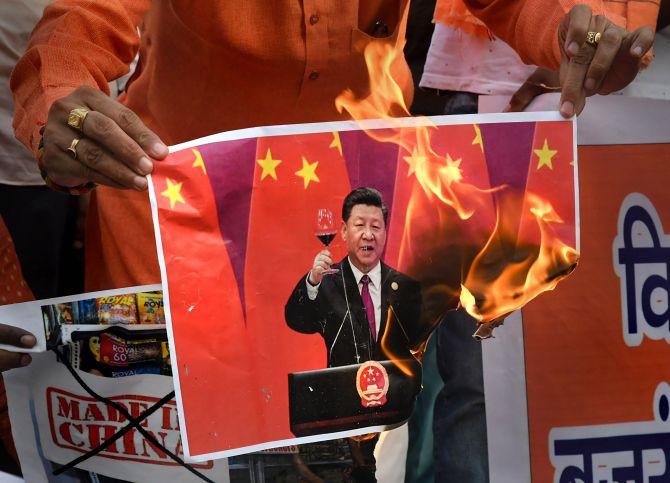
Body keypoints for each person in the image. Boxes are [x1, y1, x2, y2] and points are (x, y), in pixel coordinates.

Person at [9, 1, 656, 296]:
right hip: (176, 232)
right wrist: (58, 100)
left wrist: (585, 26)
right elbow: (81, 23)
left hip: (355, 226)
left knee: (336, 447)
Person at [285, 188, 423, 368]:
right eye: (359, 225)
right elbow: (297, 320)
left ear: (385, 232)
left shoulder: (405, 287)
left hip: (394, 393)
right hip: (343, 393)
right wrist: (312, 282)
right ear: (343, 231)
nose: (368, 235)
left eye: (375, 227)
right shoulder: (326, 283)